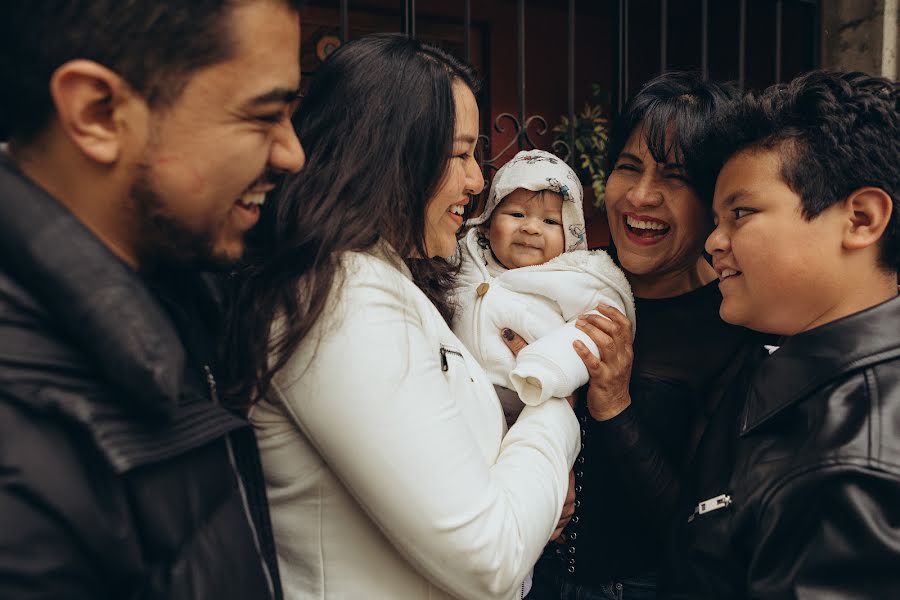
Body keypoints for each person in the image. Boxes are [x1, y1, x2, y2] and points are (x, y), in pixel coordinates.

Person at [224, 34, 581, 600]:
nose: (477, 180)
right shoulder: (339, 297)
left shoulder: (379, 276)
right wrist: (555, 411)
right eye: (461, 154)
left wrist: (526, 499)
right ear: (390, 155)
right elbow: (486, 553)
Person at [0, 1, 306, 598]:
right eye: (264, 115)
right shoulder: (20, 441)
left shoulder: (177, 292)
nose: (291, 154)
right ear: (99, 113)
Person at [528, 72, 770, 600]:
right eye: (628, 168)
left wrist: (615, 404)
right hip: (523, 575)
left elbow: (696, 526)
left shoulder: (733, 325)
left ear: (714, 199)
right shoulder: (565, 277)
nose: (641, 196)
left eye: (676, 178)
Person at [661, 70, 900, 598]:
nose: (714, 243)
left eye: (741, 213)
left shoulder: (851, 468)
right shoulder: (814, 383)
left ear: (860, 218)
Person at [451, 148, 635, 424]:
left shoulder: (575, 277)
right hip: (460, 404)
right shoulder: (462, 257)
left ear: (570, 237)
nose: (531, 228)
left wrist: (546, 366)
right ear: (488, 225)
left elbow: (593, 328)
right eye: (516, 214)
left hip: (537, 404)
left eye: (550, 221)